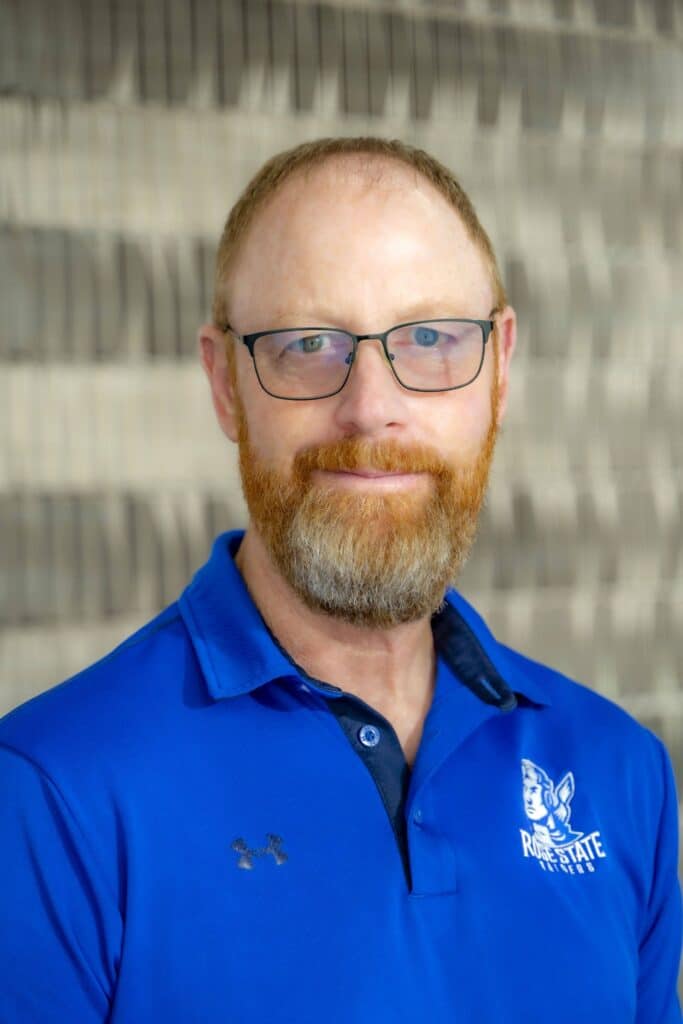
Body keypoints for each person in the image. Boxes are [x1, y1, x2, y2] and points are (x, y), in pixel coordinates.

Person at [0, 136, 680, 1024]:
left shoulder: (618, 772)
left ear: (500, 368)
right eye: (307, 343)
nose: (368, 408)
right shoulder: (48, 797)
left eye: (430, 339)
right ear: (225, 385)